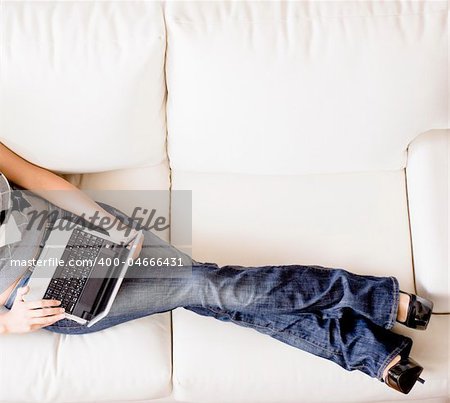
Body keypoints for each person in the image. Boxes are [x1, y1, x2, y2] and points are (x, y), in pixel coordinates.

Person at [0, 142, 434, 395]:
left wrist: (106, 223)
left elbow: (34, 178)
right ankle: (372, 302)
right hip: (40, 295)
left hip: (76, 228)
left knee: (210, 291)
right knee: (207, 287)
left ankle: (372, 352)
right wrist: (10, 324)